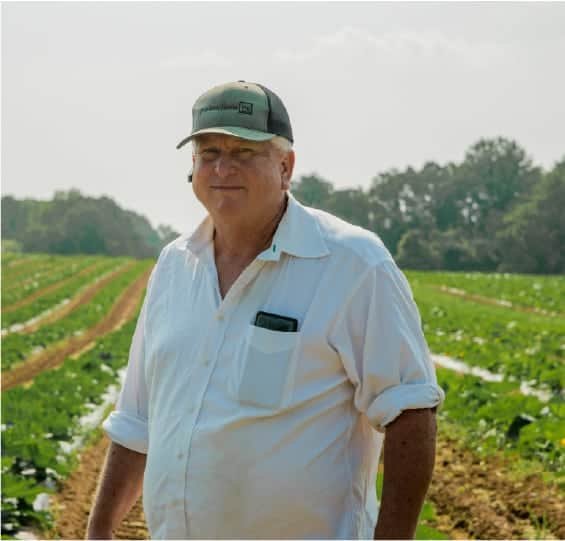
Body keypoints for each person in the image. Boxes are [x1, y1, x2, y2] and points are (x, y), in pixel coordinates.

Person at [86, 80, 445, 540]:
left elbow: (410, 410)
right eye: (209, 151)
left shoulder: (352, 264)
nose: (223, 167)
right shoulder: (175, 267)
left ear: (286, 165)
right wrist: (97, 533)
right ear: (192, 166)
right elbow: (138, 421)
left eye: (243, 152)